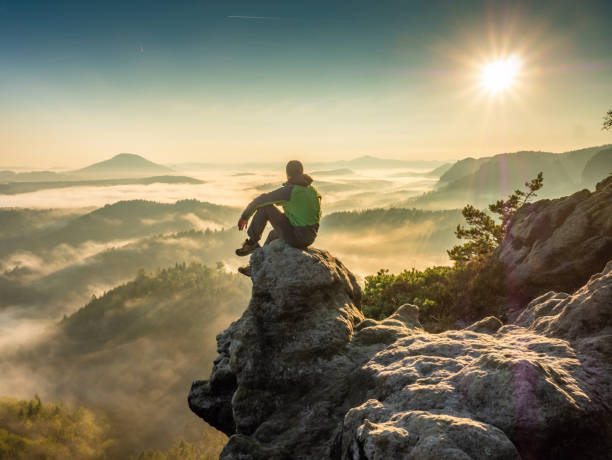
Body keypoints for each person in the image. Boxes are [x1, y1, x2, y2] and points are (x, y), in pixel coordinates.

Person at [235, 160, 321, 276]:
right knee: (273, 234)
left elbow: (261, 200)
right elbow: (310, 212)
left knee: (265, 208)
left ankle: (252, 243)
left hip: (297, 236)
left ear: (287, 174)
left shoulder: (290, 191)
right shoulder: (312, 190)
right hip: (310, 235)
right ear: (301, 172)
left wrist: (244, 217)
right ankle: (256, 266)